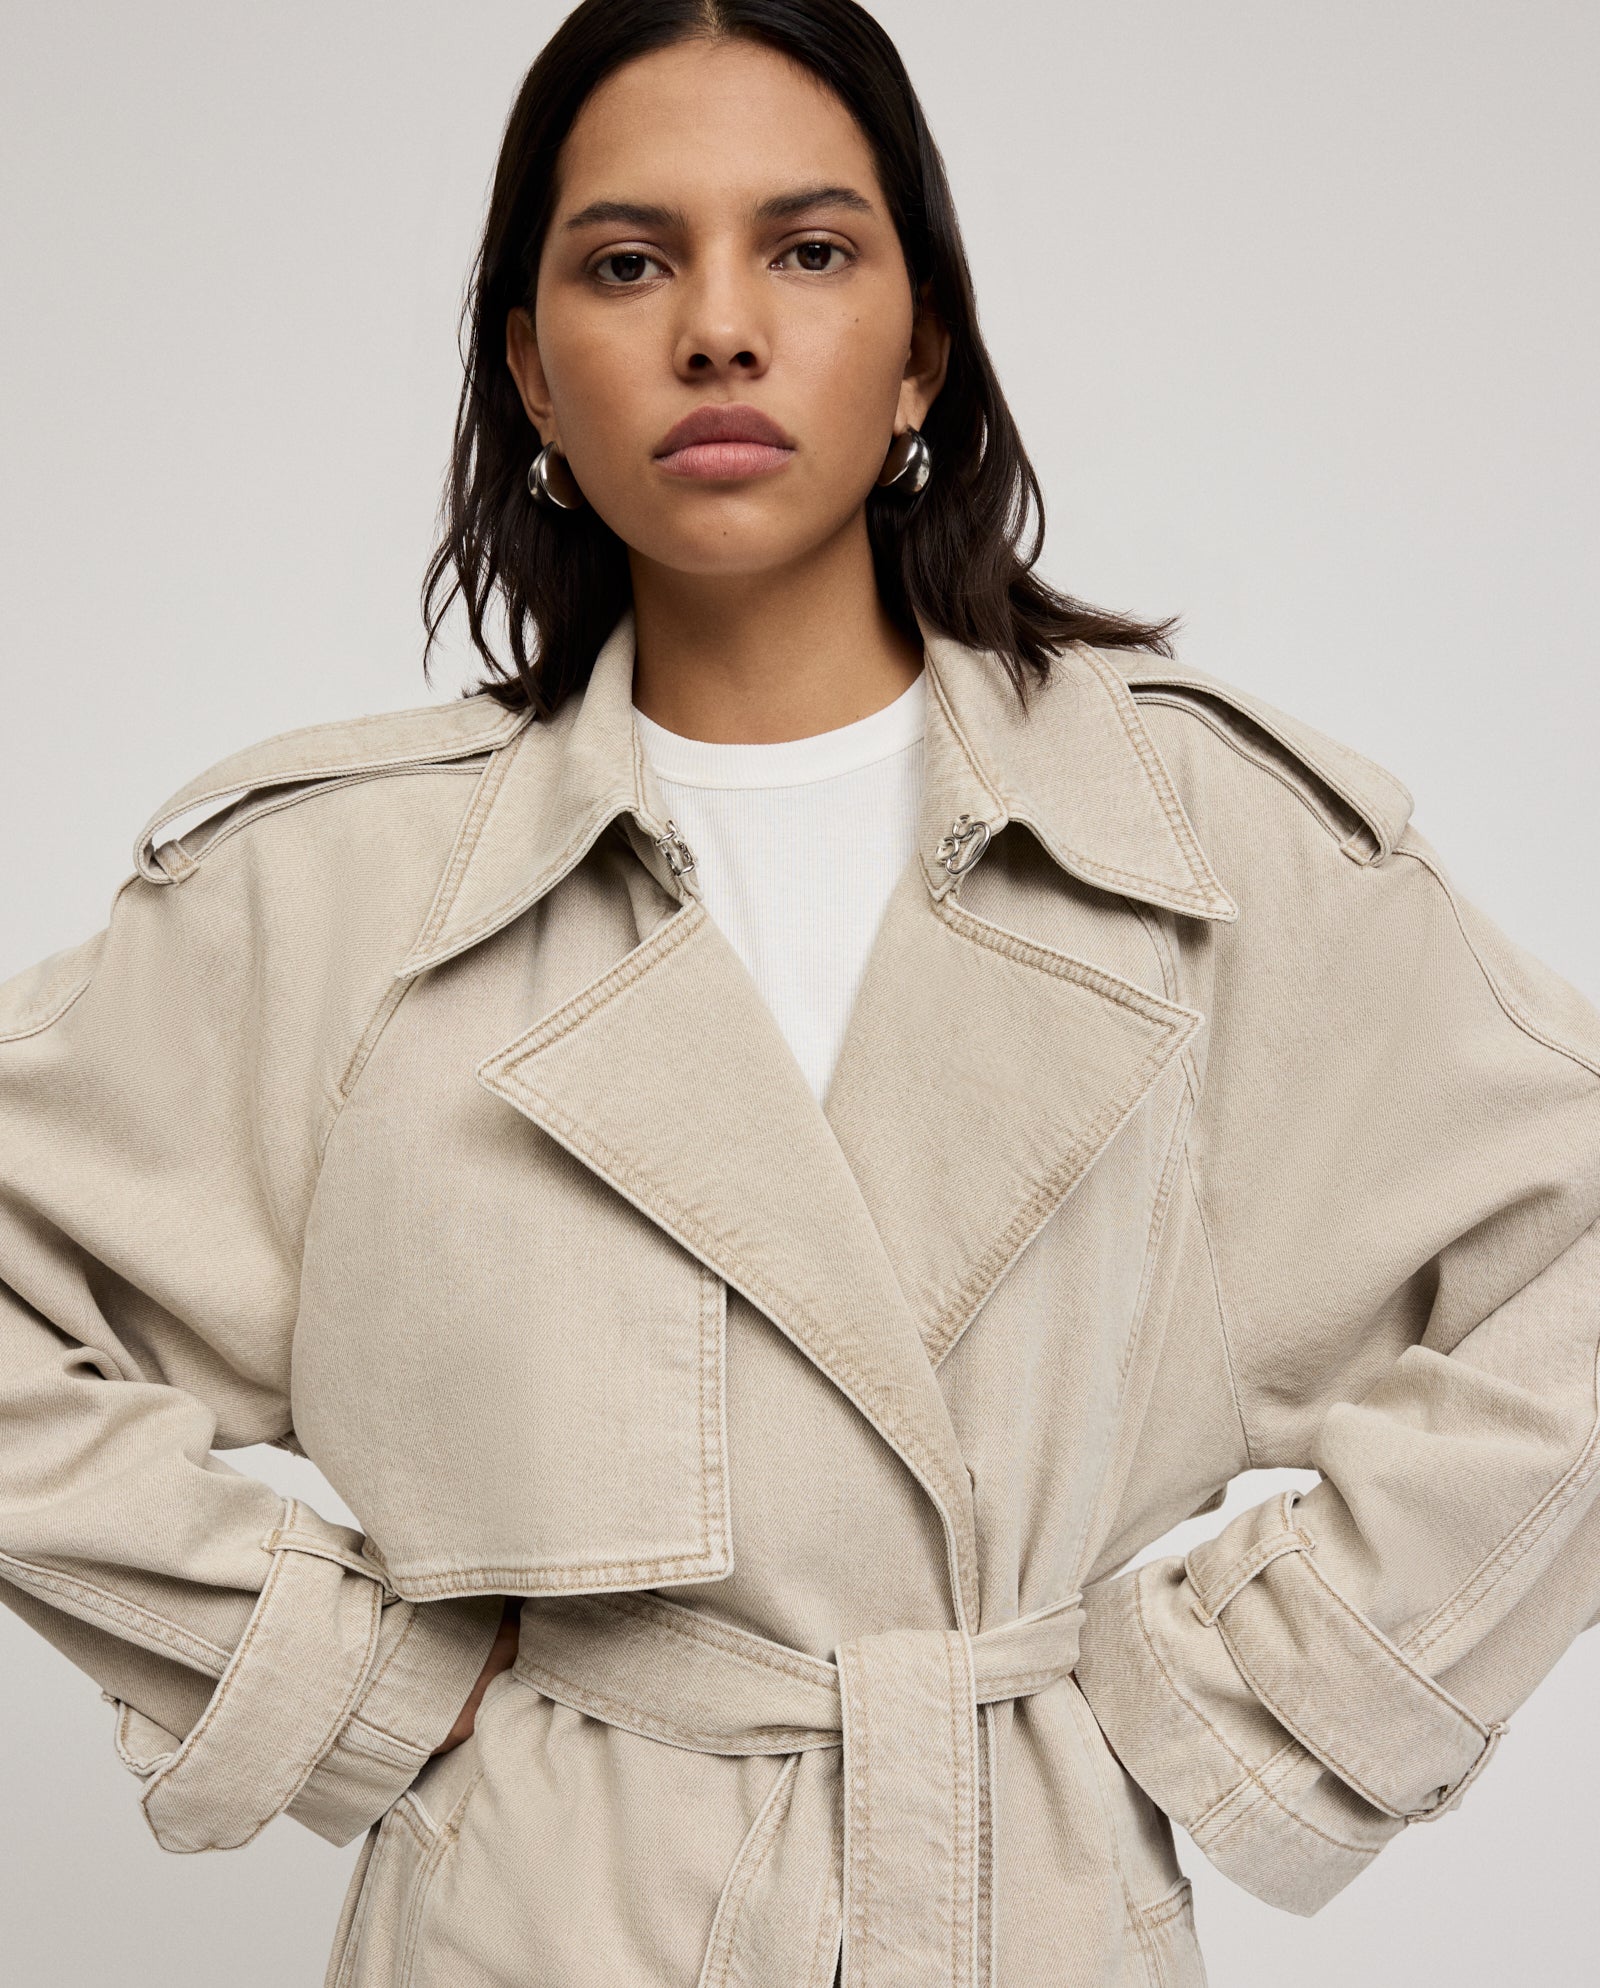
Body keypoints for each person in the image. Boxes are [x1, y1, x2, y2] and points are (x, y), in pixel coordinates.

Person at [2, 2, 1597, 1984]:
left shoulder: (1186, 843)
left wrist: (1266, 1690)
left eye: (810, 249)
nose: (719, 329)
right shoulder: (335, 890)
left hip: (1026, 1903)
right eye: (626, 260)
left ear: (920, 342)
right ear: (531, 367)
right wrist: (335, 1680)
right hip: (536, 1916)